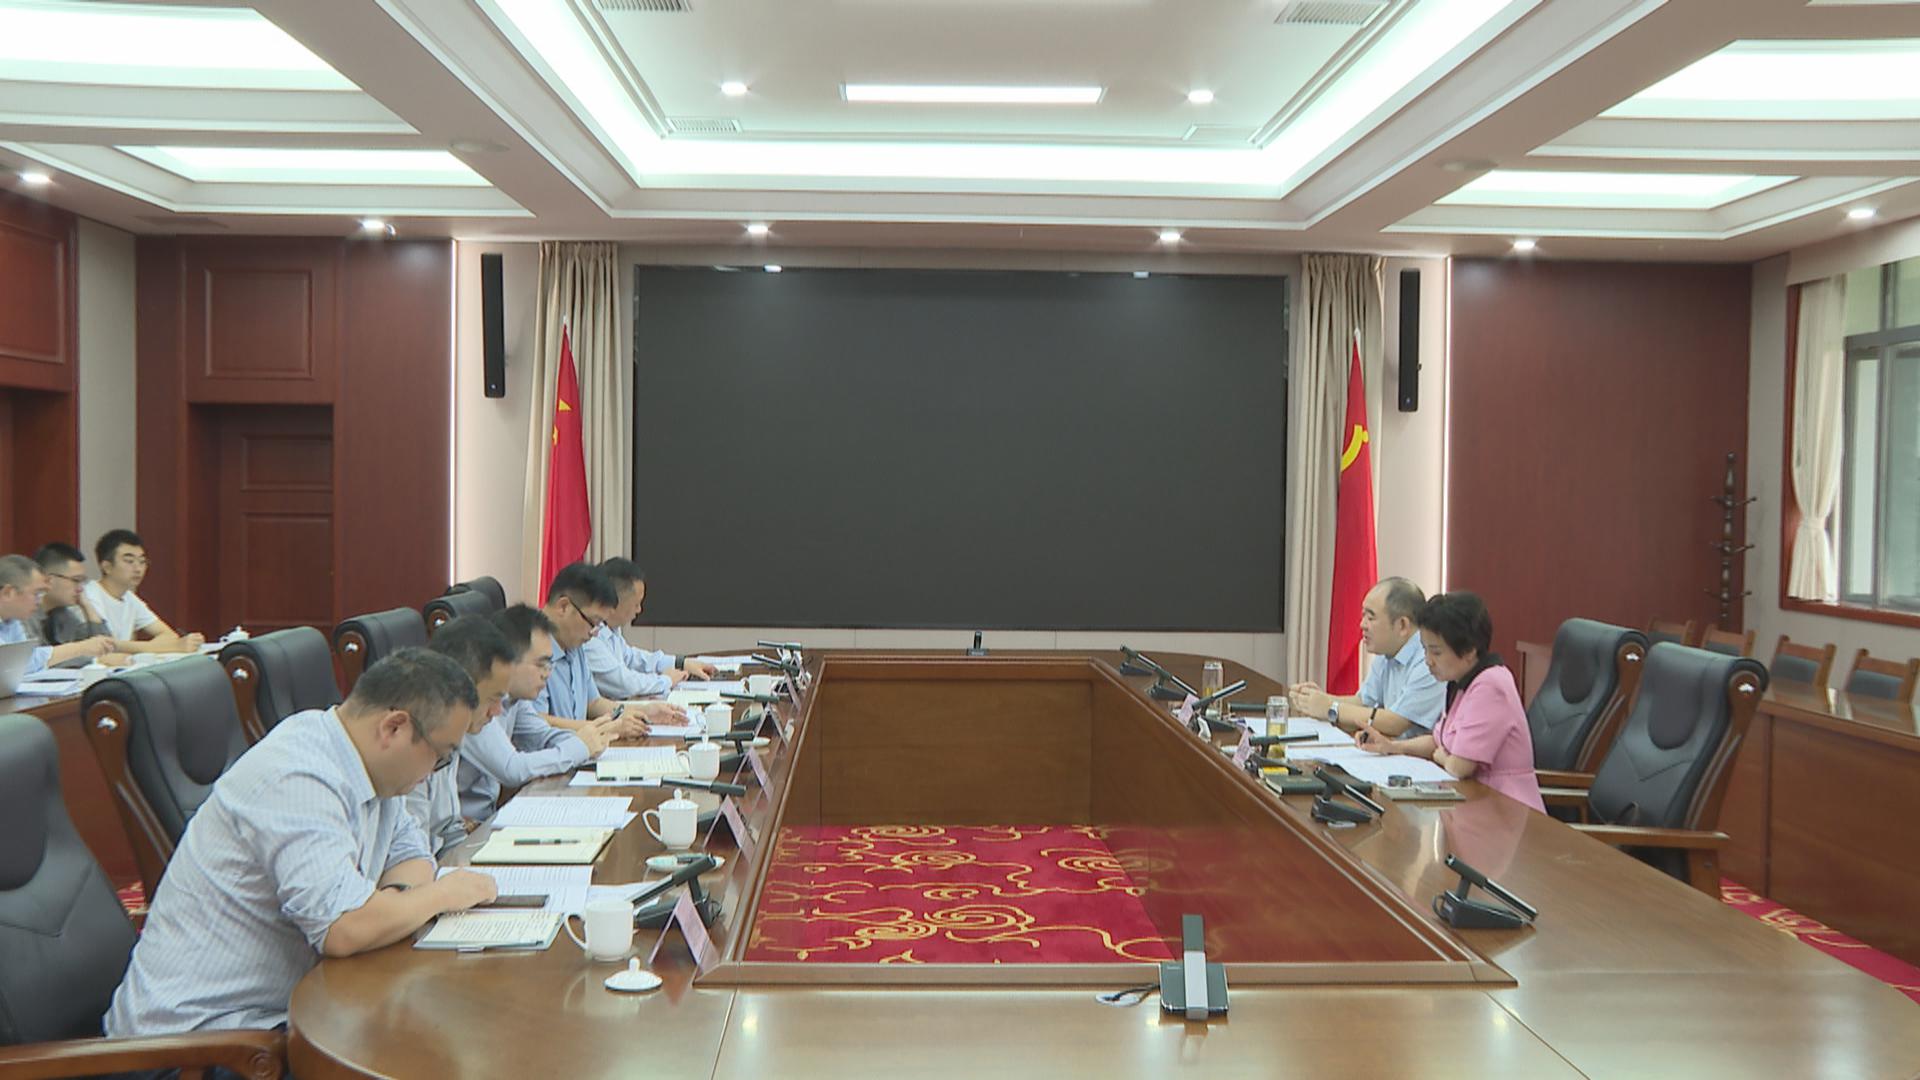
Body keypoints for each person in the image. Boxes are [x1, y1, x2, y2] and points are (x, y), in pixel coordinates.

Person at [105, 648, 499, 1038]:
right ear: (394, 728)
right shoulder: (298, 776)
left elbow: (412, 856)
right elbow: (343, 928)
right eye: (440, 756)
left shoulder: (371, 767)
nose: (433, 773)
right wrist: (441, 895)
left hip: (280, 1014)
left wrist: (391, 904)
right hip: (197, 1040)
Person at [1356, 591, 1544, 813]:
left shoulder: (1491, 685)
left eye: (1436, 652)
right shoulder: (1460, 682)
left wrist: (1443, 756)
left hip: (1506, 809)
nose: (1428, 661)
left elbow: (1460, 766)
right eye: (1425, 650)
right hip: (1471, 802)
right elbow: (1438, 742)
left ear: (1469, 650)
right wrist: (1393, 747)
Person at [457, 604, 615, 822]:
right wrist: (579, 747)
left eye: (550, 665)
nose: (547, 674)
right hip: (468, 826)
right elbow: (512, 769)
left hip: (489, 817)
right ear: (507, 661)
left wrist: (589, 742)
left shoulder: (516, 700)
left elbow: (544, 736)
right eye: (541, 665)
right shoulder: (479, 705)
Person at [403, 615, 518, 855]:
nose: (497, 712)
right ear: (458, 687)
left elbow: (449, 830)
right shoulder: (411, 744)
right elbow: (410, 851)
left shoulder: (452, 737)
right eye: (493, 699)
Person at [535, 561, 684, 739]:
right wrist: (606, 728)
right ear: (564, 607)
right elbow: (536, 723)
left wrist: (644, 711)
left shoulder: (574, 645)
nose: (594, 633)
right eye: (593, 622)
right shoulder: (529, 650)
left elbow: (594, 703)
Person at [1290, 577, 1443, 738]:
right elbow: (1363, 702)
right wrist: (1316, 699)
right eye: (1363, 616)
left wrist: (1330, 707)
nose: (1362, 624)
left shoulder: (1429, 659)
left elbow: (1396, 722)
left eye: (1370, 618)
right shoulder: (1387, 652)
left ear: (1402, 625)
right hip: (1389, 748)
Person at [584, 557, 717, 700]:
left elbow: (632, 658)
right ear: (614, 602)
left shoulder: (611, 629)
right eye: (636, 604)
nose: (639, 610)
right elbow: (623, 684)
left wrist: (680, 663)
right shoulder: (589, 637)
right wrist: (665, 680)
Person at [82, 529, 204, 653]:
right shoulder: (90, 595)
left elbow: (170, 636)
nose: (138, 569)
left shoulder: (129, 598)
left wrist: (159, 647)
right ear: (107, 567)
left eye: (142, 562)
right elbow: (105, 645)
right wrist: (170, 647)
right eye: (129, 561)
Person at [0, 553, 114, 673]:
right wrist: (82, 648)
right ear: (8, 593)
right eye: (36, 594)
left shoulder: (12, 621)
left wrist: (88, 606)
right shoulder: (23, 617)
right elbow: (22, 662)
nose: (39, 601)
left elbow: (22, 661)